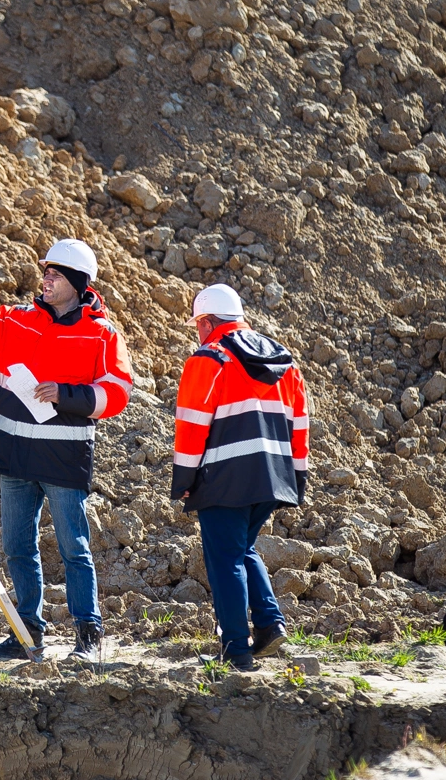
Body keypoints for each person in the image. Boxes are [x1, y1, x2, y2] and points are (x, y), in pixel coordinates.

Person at [0, 228, 133, 661]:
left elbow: (118, 390)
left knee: (74, 549)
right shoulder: (19, 320)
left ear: (79, 283)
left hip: (62, 458)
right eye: (45, 272)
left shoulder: (101, 334)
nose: (45, 280)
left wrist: (66, 394)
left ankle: (89, 635)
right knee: (17, 546)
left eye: (55, 275)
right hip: (15, 457)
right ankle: (27, 633)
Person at [171, 283, 308, 671]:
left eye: (199, 324)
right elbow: (301, 424)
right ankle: (268, 624)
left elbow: (193, 424)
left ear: (209, 322)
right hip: (273, 477)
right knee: (242, 549)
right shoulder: (285, 361)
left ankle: (236, 646)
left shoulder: (209, 358)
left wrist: (183, 479)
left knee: (225, 557)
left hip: (225, 476)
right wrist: (297, 477)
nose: (198, 332)